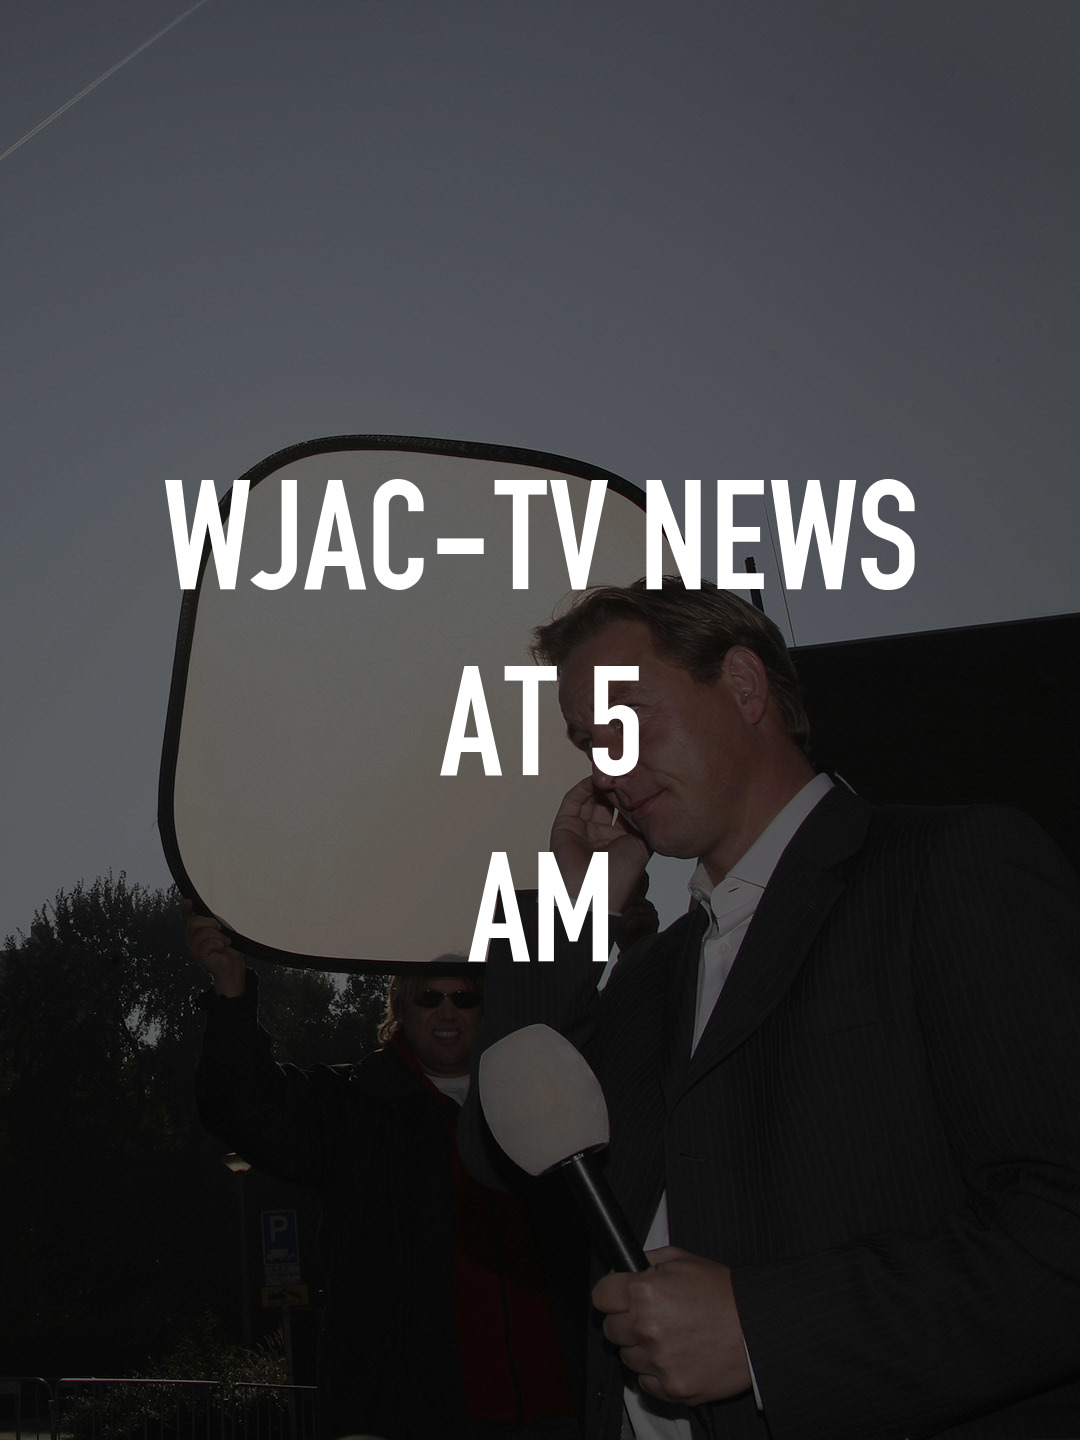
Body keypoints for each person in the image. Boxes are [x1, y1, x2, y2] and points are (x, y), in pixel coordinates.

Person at [459, 578, 1080, 1440]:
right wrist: (572, 911)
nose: (605, 767)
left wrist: (763, 1333)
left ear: (745, 686)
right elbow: (503, 1156)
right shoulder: (651, 975)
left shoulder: (948, 866)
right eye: (590, 741)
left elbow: (1060, 1224)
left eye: (627, 717)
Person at [189, 909, 585, 1440]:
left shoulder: (543, 1103)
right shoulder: (356, 1107)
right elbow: (243, 1107)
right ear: (401, 1007)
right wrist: (231, 990)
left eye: (464, 998)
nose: (447, 1012)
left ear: (487, 1008)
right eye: (429, 997)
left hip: (555, 1408)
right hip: (407, 1415)